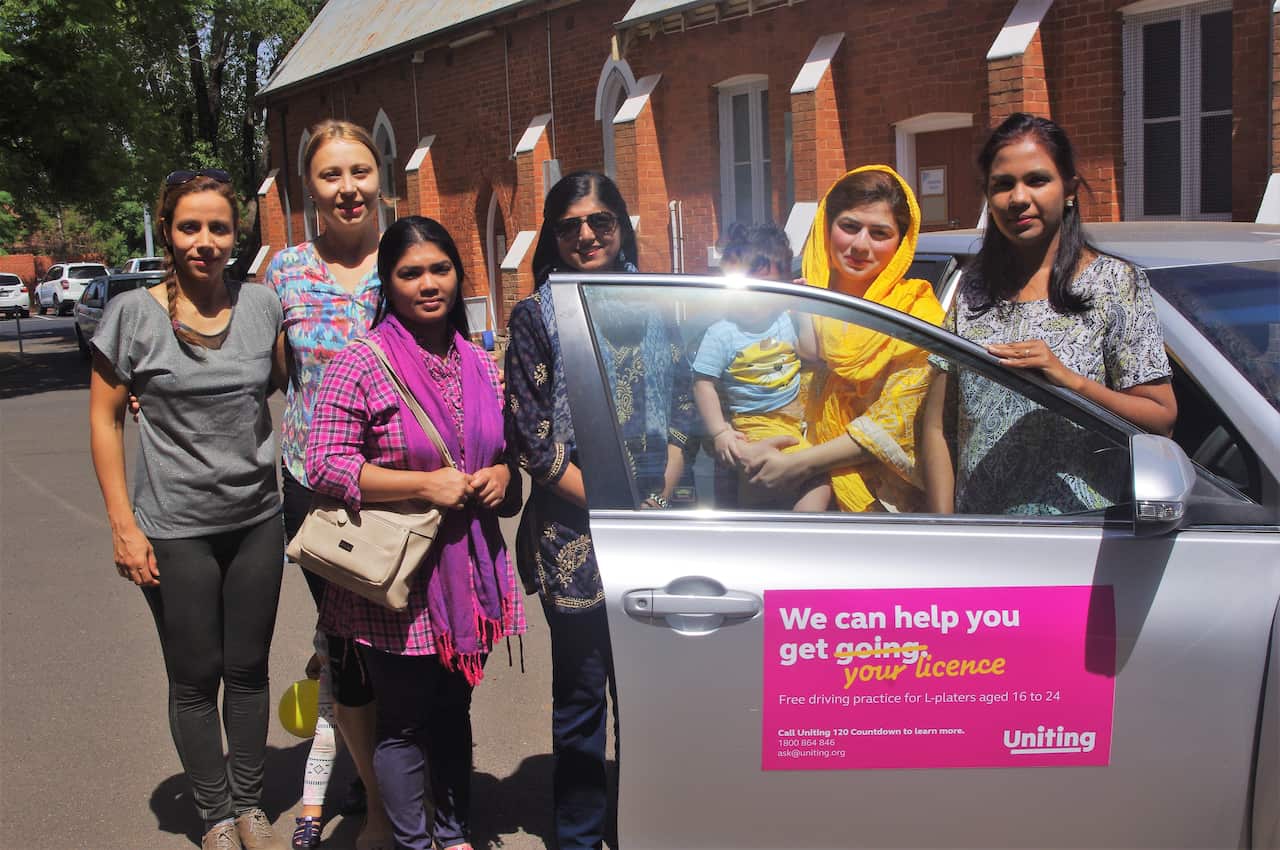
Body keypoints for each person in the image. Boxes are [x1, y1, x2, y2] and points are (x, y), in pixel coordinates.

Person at [306, 216, 524, 850]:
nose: (428, 284)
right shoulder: (361, 362)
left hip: (469, 566)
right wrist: (423, 485)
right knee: (401, 723)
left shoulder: (481, 362)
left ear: (458, 275)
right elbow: (323, 463)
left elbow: (501, 447)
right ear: (388, 282)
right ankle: (413, 841)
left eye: (440, 269)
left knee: (453, 712)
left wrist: (502, 475)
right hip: (398, 577)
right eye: (410, 273)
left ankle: (453, 833)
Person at [88, 169, 286, 850]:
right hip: (175, 529)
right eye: (190, 227)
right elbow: (104, 419)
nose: (205, 241)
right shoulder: (133, 316)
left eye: (219, 228)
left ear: (237, 234)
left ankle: (253, 804)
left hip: (257, 517)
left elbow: (294, 382)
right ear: (168, 232)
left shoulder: (264, 306)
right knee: (195, 675)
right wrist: (123, 524)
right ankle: (216, 814)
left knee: (250, 670)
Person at [504, 171, 696, 850]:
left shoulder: (659, 301)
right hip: (575, 529)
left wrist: (658, 495)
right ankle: (581, 837)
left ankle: (648, 827)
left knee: (651, 697)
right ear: (554, 238)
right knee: (582, 700)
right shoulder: (536, 316)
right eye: (570, 226)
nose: (587, 235)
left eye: (601, 221)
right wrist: (617, 510)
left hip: (660, 516)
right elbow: (533, 439)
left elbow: (681, 414)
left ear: (622, 225)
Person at [919, 113, 1176, 515]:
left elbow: (1160, 419)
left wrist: (1068, 382)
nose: (1018, 198)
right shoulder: (973, 289)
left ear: (1070, 190)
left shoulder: (1114, 283)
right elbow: (937, 427)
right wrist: (945, 530)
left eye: (1036, 180)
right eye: (1002, 185)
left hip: (1080, 540)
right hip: (983, 539)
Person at [261, 119, 389, 850]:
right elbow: (262, 370)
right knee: (348, 648)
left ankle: (408, 782)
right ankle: (376, 806)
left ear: (381, 178)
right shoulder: (283, 271)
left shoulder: (406, 256)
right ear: (309, 187)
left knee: (409, 645)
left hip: (402, 488)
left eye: (360, 172)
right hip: (315, 491)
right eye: (332, 176)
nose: (348, 189)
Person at [741, 165, 943, 513]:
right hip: (781, 494)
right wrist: (747, 446)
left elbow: (891, 424)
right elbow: (748, 389)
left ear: (901, 242)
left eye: (879, 233)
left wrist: (800, 464)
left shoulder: (917, 316)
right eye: (849, 227)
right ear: (826, 226)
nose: (860, 245)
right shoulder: (793, 307)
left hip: (877, 512)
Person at [692, 222, 828, 510]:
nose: (756, 300)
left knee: (795, 483)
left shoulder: (785, 319)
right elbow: (703, 382)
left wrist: (802, 307)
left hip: (793, 420)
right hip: (753, 424)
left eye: (767, 290)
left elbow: (811, 351)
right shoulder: (721, 332)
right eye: (748, 289)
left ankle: (793, 540)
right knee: (801, 482)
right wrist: (720, 432)